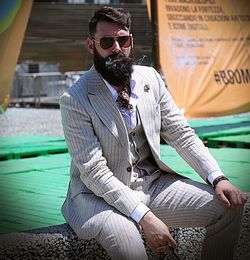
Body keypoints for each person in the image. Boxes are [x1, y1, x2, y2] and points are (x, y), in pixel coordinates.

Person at [59, 6, 247, 260]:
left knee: (228, 209)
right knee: (130, 245)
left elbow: (181, 133)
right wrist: (145, 217)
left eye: (123, 40)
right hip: (97, 198)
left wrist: (217, 178)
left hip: (153, 185)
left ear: (131, 42)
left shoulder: (150, 78)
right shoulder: (74, 98)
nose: (116, 48)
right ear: (91, 46)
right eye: (106, 41)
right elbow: (94, 173)